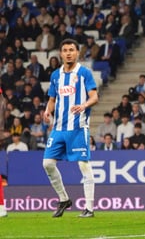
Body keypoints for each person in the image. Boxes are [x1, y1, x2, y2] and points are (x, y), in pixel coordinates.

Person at [42, 38, 98, 218]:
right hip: (58, 128)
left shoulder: (84, 73)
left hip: (78, 127)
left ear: (77, 53)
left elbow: (94, 96)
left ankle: (89, 208)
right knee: (47, 164)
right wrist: (47, 111)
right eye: (65, 50)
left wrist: (84, 105)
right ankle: (64, 199)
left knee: (83, 164)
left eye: (71, 50)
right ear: (60, 53)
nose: (68, 53)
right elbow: (52, 99)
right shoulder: (55, 75)